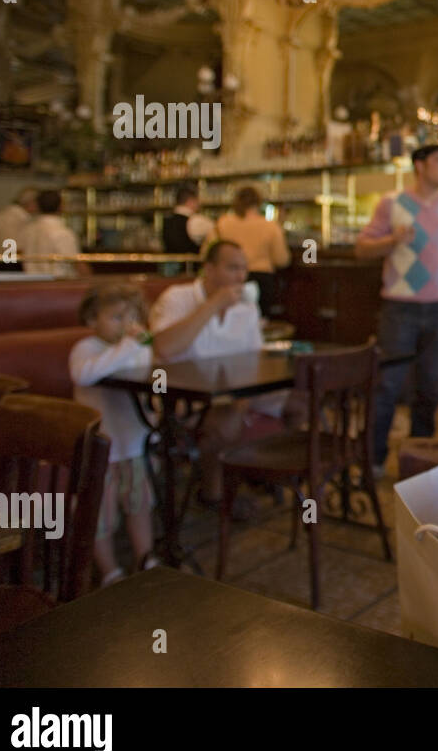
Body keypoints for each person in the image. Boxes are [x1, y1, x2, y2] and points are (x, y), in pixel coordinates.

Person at [356, 144, 438, 476]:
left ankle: (417, 464)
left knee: (430, 387)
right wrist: (392, 240)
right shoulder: (392, 203)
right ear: (420, 166)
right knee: (386, 386)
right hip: (400, 309)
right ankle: (374, 459)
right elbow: (361, 249)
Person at [149, 240, 282, 518]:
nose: (240, 276)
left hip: (235, 394)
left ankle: (266, 474)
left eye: (244, 269)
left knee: (300, 401)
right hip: (182, 399)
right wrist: (213, 305)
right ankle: (213, 494)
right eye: (232, 268)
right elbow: (164, 347)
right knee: (227, 419)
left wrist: (245, 397)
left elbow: (256, 358)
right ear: (208, 269)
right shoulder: (177, 297)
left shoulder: (246, 307)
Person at [69, 283, 159, 586]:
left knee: (139, 504)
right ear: (92, 319)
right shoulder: (87, 349)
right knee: (99, 514)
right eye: (117, 317)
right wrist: (131, 346)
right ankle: (109, 570)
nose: (127, 325)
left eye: (133, 318)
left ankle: (144, 557)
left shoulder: (137, 350)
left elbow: (146, 388)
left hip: (133, 442)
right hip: (100, 449)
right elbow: (85, 375)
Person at [214, 186, 289, 317]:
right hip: (262, 280)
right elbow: (281, 260)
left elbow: (209, 251)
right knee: (259, 322)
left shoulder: (223, 223)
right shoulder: (270, 226)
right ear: (258, 203)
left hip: (229, 278)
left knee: (230, 318)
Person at [22, 189, 89, 277]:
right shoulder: (62, 232)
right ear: (61, 206)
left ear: (37, 206)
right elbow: (76, 263)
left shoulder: (28, 230)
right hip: (57, 285)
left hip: (30, 283)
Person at [0, 187, 38, 268]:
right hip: (11, 264)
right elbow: (10, 250)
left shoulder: (0, 215)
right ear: (31, 203)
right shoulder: (19, 219)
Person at [163, 184, 214, 255]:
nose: (199, 203)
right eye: (197, 200)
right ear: (191, 201)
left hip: (170, 265)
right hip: (191, 265)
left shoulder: (167, 220)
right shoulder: (196, 220)